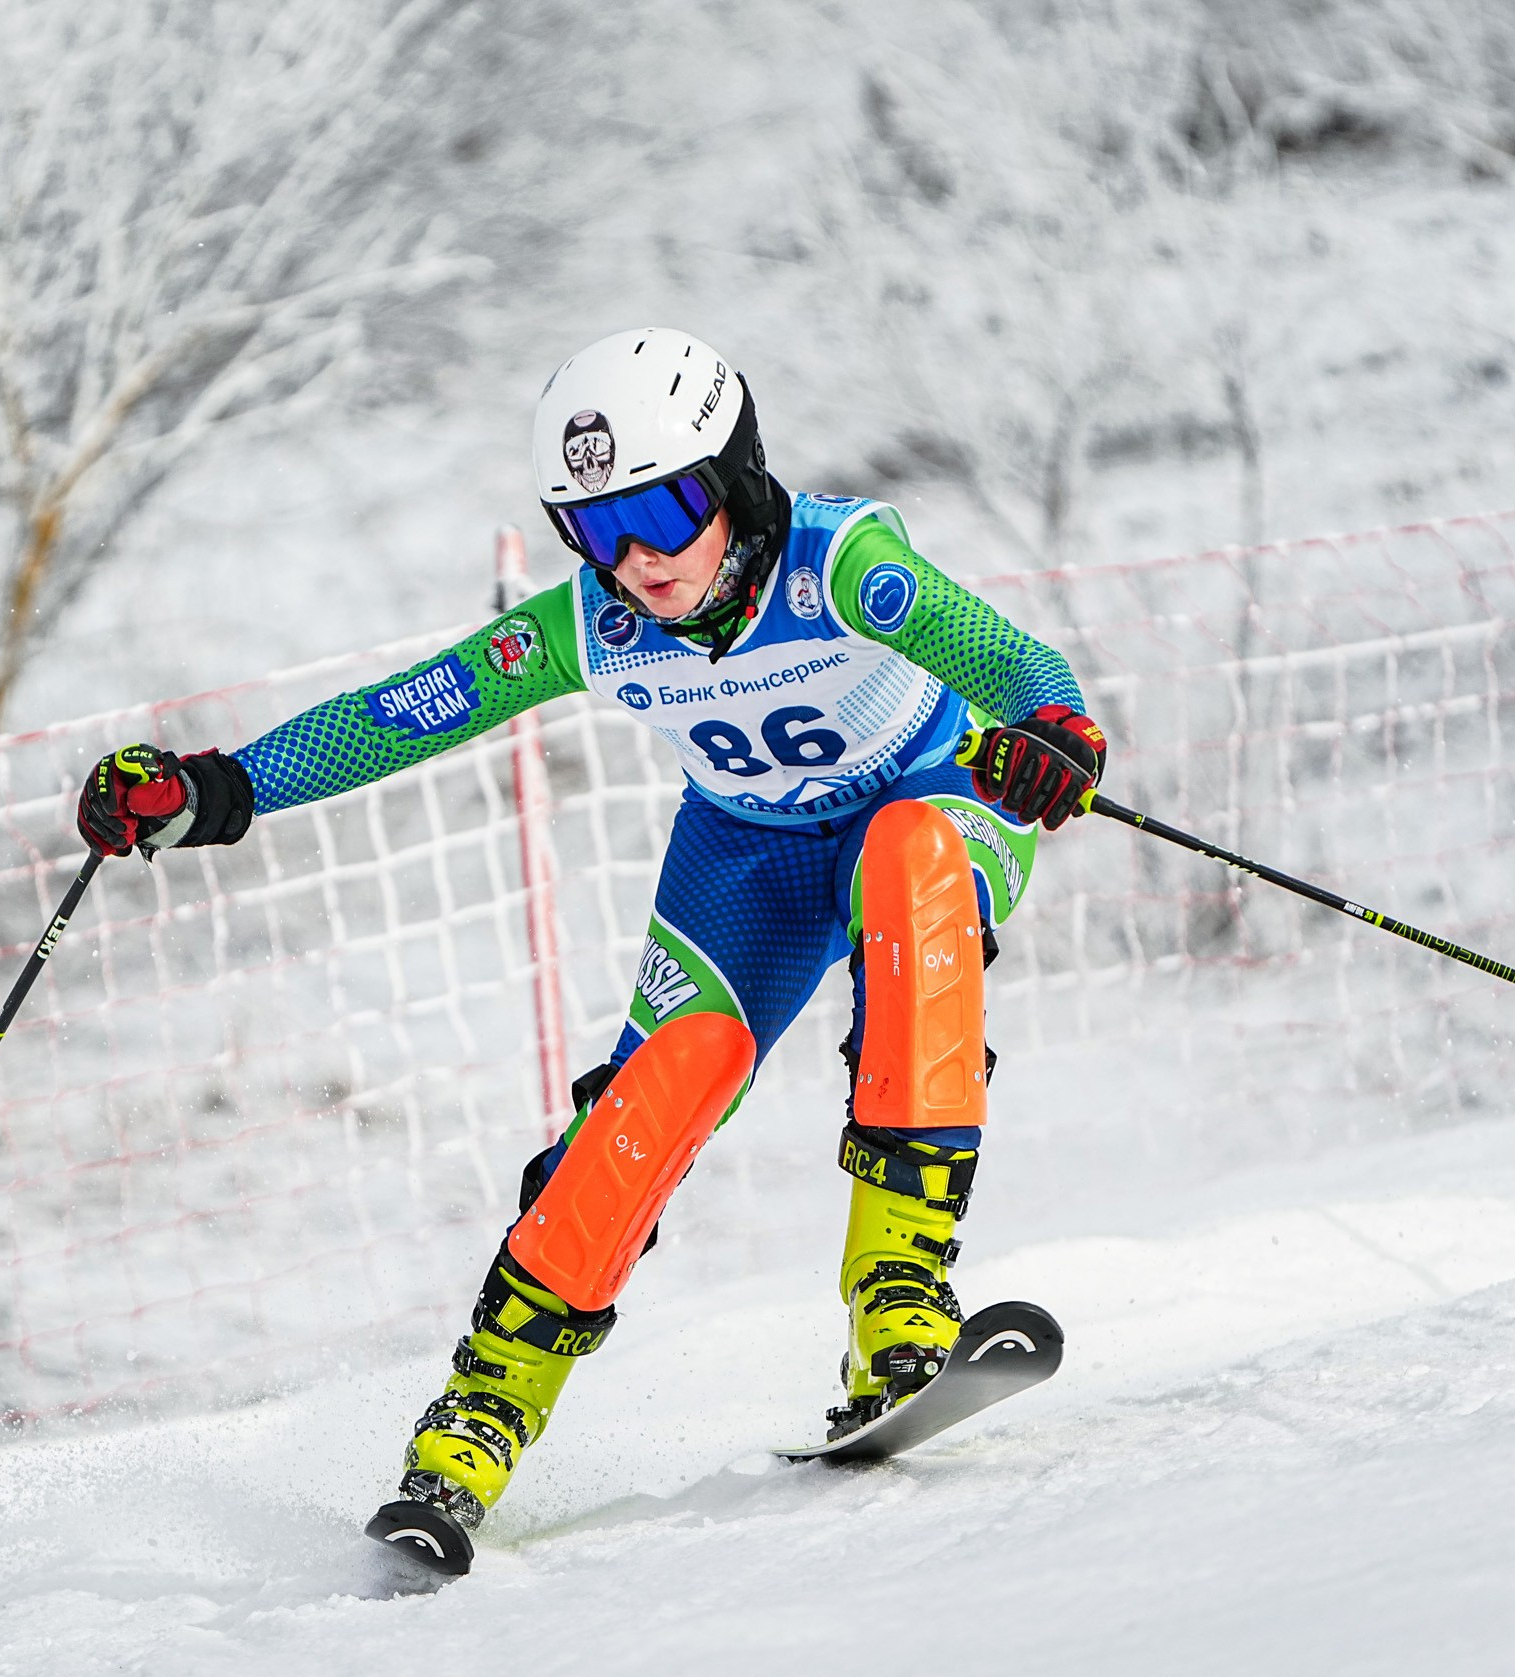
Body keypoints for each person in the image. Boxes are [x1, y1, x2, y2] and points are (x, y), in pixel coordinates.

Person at [76, 328, 1103, 1574]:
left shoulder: (844, 566)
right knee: (665, 1079)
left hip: (936, 790)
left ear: (734, 481)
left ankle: (899, 1307)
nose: (639, 559)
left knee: (909, 869)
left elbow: (1014, 660)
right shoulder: (593, 623)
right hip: (749, 853)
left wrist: (1049, 726)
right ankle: (473, 1431)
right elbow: (411, 712)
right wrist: (218, 787)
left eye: (666, 510)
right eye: (595, 528)